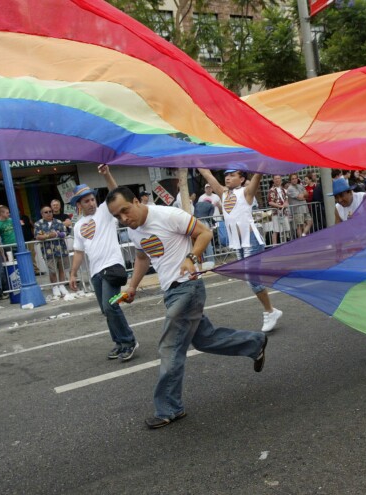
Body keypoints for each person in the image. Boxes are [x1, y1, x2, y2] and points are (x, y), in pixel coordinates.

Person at [106, 186, 267, 429]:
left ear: (137, 201)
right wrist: (131, 286)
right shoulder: (135, 231)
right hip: (170, 292)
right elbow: (142, 258)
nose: (123, 219)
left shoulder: (169, 215)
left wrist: (191, 258)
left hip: (187, 288)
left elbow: (204, 233)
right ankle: (254, 342)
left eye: (125, 211)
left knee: (169, 346)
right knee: (205, 339)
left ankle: (169, 408)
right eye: (117, 216)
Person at [197, 167, 283, 332]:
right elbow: (206, 173)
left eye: (232, 175)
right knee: (250, 279)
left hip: (251, 240)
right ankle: (271, 310)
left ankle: (270, 311)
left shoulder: (246, 192)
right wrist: (194, 157)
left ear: (242, 179)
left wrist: (262, 160)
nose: (227, 178)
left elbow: (258, 173)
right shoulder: (222, 192)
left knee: (252, 278)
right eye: (226, 175)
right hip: (238, 242)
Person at [68, 166, 139, 361]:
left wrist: (106, 174)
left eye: (92, 199)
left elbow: (116, 193)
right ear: (79, 205)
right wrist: (73, 273)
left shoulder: (104, 212)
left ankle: (129, 341)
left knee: (111, 305)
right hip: (95, 272)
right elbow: (79, 252)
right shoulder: (78, 226)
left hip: (112, 266)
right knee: (106, 310)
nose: (91, 203)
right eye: (86, 201)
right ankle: (119, 342)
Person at [35, 204, 71, 299]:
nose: (49, 213)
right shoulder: (38, 224)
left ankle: (62, 286)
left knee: (62, 268)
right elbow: (38, 236)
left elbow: (65, 232)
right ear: (42, 214)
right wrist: (48, 236)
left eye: (50, 211)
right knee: (52, 270)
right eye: (46, 212)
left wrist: (59, 234)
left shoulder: (58, 222)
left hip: (61, 249)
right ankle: (55, 287)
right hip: (48, 251)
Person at [266, 175, 291, 245]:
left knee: (287, 229)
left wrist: (285, 204)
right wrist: (280, 206)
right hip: (276, 213)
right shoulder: (271, 190)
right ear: (273, 180)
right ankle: (274, 245)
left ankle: (286, 244)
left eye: (279, 178)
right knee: (276, 230)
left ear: (281, 179)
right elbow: (270, 202)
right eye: (276, 179)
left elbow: (286, 199)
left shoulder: (283, 190)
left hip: (284, 212)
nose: (277, 180)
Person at [286, 173, 312, 238]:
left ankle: (303, 234)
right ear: (290, 180)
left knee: (310, 222)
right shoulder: (290, 188)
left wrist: (304, 196)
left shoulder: (300, 186)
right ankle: (301, 240)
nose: (294, 180)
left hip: (305, 208)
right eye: (293, 179)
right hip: (297, 210)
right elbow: (300, 197)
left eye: (295, 178)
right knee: (299, 226)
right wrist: (303, 196)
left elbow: (307, 195)